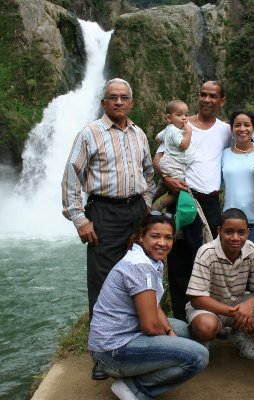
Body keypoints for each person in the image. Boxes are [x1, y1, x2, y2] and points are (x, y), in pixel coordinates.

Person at [62, 78, 155, 379]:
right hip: (104, 211)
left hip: (137, 211)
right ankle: (102, 354)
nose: (118, 102)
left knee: (142, 273)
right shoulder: (90, 133)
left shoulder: (139, 133)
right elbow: (71, 177)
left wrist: (147, 204)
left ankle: (139, 341)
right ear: (104, 102)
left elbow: (149, 172)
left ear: (131, 102)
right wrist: (80, 219)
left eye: (124, 97)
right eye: (112, 97)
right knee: (102, 283)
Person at [88, 213, 209, 400]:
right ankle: (134, 388)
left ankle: (140, 372)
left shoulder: (148, 259)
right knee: (199, 356)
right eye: (155, 236)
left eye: (168, 237)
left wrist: (170, 332)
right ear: (141, 236)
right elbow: (150, 326)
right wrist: (172, 341)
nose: (162, 242)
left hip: (125, 335)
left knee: (192, 333)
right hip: (112, 351)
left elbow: (154, 306)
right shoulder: (139, 266)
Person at [153, 81, 231, 321]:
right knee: (178, 260)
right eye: (203, 94)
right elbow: (158, 157)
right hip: (182, 198)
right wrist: (166, 178)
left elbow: (243, 144)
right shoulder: (181, 124)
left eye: (213, 96)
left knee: (211, 259)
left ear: (221, 101)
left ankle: (210, 318)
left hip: (209, 202)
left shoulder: (225, 130)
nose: (207, 99)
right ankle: (179, 319)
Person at [186, 208, 254, 359]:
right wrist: (237, 312)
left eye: (241, 233)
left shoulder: (251, 250)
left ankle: (240, 333)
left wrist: (250, 304)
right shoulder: (207, 252)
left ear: (247, 233)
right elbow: (196, 298)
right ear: (219, 231)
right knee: (205, 327)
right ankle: (204, 340)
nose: (235, 238)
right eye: (229, 232)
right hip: (210, 307)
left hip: (238, 302)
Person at [222, 110, 254, 258]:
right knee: (231, 271)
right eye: (237, 125)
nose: (242, 129)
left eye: (247, 125)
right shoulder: (224, 154)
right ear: (231, 129)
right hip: (230, 222)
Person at [152, 100, 195, 211]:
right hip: (174, 164)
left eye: (186, 114)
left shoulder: (168, 129)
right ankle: (156, 207)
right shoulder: (175, 131)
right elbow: (183, 145)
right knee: (179, 190)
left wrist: (167, 141)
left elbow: (157, 137)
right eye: (179, 115)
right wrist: (189, 132)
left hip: (168, 163)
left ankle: (148, 201)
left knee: (162, 187)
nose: (184, 118)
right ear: (169, 118)